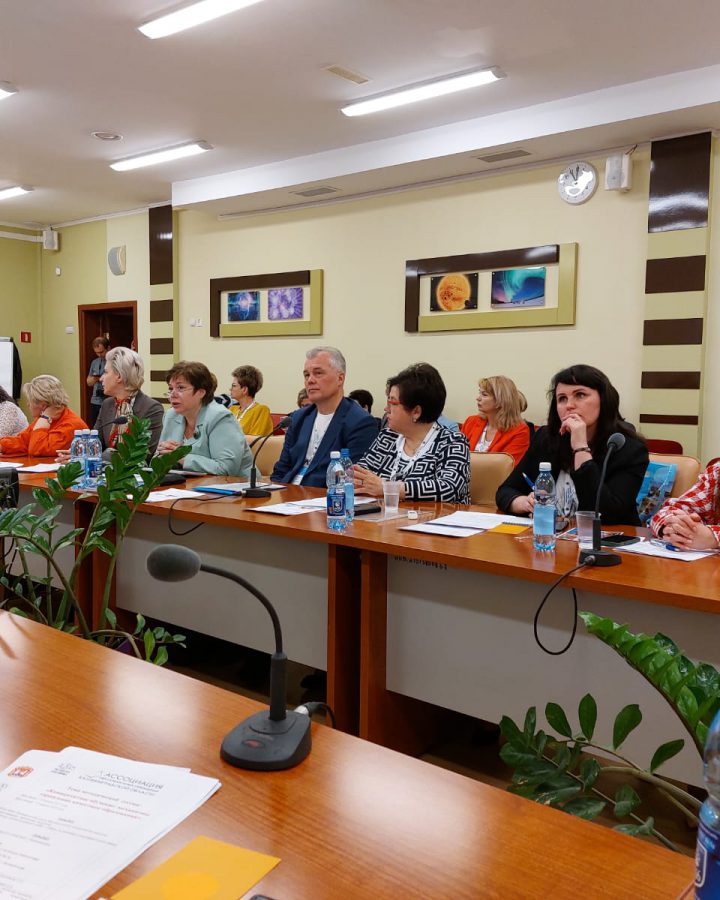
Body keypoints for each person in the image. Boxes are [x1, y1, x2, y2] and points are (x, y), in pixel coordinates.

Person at [496, 364, 648, 525]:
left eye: (580, 395)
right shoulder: (546, 438)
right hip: (553, 535)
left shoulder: (628, 448)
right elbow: (505, 491)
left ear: (603, 400)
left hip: (608, 538)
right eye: (562, 398)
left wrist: (580, 447)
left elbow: (606, 514)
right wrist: (523, 502)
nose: (569, 405)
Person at [353, 363, 470, 504]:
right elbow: (360, 475)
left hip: (436, 517)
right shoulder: (387, 436)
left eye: (392, 403)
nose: (386, 409)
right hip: (384, 515)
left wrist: (387, 487)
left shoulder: (452, 442)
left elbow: (449, 488)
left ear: (416, 412)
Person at [272, 347, 377, 487]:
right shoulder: (298, 418)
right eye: (306, 375)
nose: (310, 380)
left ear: (340, 378)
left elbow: (350, 479)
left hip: (324, 495)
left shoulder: (360, 422)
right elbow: (281, 470)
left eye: (318, 373)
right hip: (288, 492)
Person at [156, 361, 253, 477]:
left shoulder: (220, 417)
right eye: (170, 388)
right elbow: (157, 460)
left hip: (237, 485)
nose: (172, 394)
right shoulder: (171, 415)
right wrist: (161, 456)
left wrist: (181, 457)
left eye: (180, 388)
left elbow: (226, 469)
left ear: (201, 392)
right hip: (186, 484)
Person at [95, 347, 164, 459]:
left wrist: (106, 457)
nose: (101, 378)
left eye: (106, 372)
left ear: (119, 376)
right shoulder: (107, 404)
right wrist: (81, 453)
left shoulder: (152, 408)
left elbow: (144, 454)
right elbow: (96, 443)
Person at [0, 375, 86, 457]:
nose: (28, 405)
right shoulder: (44, 419)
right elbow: (23, 441)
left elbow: (37, 449)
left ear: (43, 405)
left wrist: (45, 418)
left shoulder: (71, 425)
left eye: (30, 401)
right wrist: (2, 445)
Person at [460, 375, 530, 466]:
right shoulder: (471, 421)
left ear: (501, 400)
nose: (478, 398)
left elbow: (506, 467)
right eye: (480, 393)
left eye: (484, 395)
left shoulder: (519, 431)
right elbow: (456, 455)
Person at [649, 463, 720, 549]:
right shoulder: (716, 471)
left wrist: (713, 537)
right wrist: (674, 526)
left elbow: (708, 537)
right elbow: (670, 510)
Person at [229, 365, 273, 436]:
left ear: (244, 390)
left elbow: (255, 440)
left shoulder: (261, 410)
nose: (230, 389)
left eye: (234, 386)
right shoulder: (232, 409)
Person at [86, 336, 110, 427]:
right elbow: (89, 382)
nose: (99, 355)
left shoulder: (113, 362)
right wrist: (98, 378)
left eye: (101, 352)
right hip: (95, 401)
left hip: (109, 400)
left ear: (108, 348)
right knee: (95, 427)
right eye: (97, 353)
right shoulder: (95, 362)